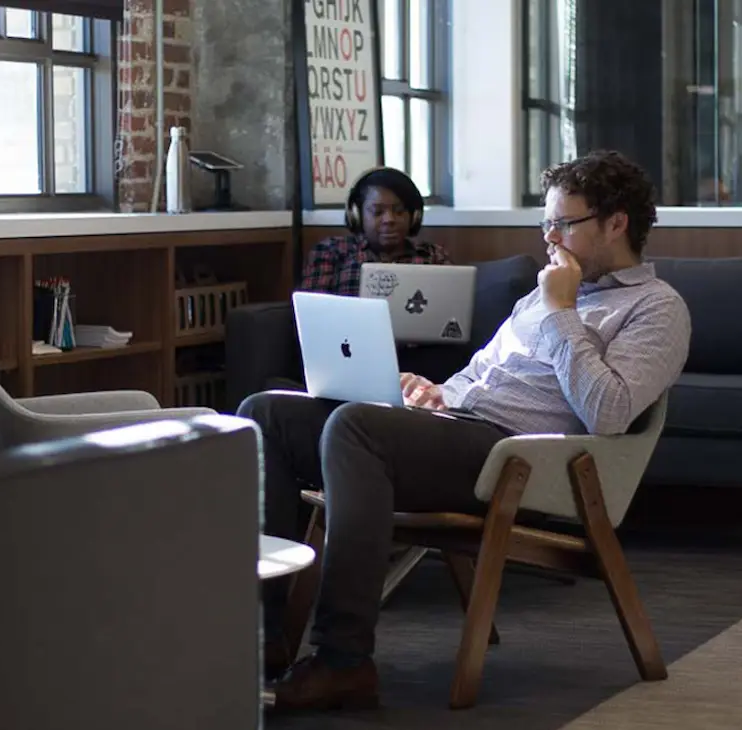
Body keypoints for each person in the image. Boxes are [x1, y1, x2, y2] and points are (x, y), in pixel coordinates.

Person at [240, 150, 692, 713]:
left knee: (354, 429)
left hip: (514, 457)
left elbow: (609, 411)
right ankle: (263, 640)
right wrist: (432, 392)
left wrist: (561, 312)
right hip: (457, 427)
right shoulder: (547, 288)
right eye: (545, 222)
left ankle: (343, 660)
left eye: (563, 223)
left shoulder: (655, 308)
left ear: (616, 223)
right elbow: (481, 373)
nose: (550, 237)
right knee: (266, 414)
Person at [300, 167, 450, 296]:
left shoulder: (433, 256)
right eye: (377, 212)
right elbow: (312, 314)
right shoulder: (331, 252)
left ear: (414, 216)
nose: (389, 219)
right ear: (356, 215)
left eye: (399, 211)